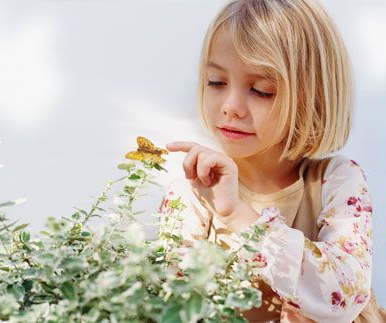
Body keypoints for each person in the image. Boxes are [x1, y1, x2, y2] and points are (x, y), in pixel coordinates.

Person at [159, 0, 385, 322]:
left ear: (313, 96)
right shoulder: (194, 190)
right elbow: (172, 303)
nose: (231, 106)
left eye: (262, 90)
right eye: (216, 83)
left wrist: (239, 215)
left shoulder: (335, 181)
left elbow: (344, 294)